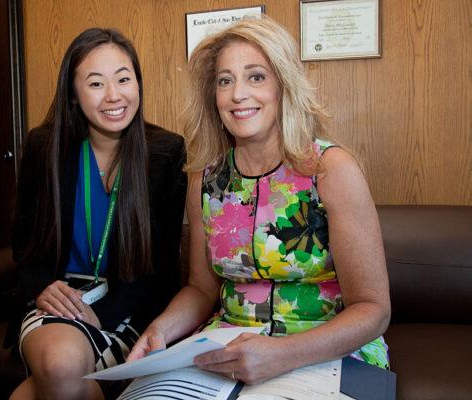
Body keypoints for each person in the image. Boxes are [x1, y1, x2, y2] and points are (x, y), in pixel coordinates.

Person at [128, 17, 390, 384]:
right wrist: (161, 331)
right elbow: (202, 289)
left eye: (256, 76)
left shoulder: (330, 169)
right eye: (225, 80)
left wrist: (281, 355)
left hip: (332, 352)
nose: (238, 94)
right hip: (230, 349)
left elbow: (373, 310)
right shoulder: (204, 178)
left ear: (283, 86)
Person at [8, 28, 187, 399]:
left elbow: (162, 262)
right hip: (61, 300)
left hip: (130, 306)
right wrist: (42, 287)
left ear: (138, 83)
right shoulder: (44, 148)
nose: (114, 95)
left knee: (45, 386)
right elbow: (24, 242)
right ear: (74, 94)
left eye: (124, 79)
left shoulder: (165, 151)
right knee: (60, 362)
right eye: (95, 83)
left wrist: (105, 314)